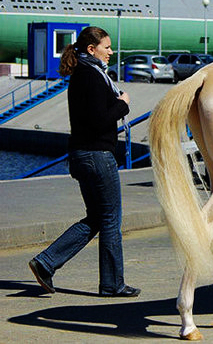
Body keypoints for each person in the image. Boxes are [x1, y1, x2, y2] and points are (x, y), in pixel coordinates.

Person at [28, 26, 140, 297]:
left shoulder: (86, 73)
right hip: (96, 156)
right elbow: (99, 119)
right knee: (111, 219)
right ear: (92, 49)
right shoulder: (90, 76)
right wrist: (123, 104)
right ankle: (112, 284)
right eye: (107, 47)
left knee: (97, 218)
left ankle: (46, 263)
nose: (111, 52)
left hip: (83, 155)